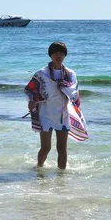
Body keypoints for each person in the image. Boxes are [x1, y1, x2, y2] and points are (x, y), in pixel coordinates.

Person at [24, 42, 88, 170]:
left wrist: (64, 87)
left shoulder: (70, 74)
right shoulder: (42, 74)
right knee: (46, 147)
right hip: (45, 114)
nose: (58, 55)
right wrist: (31, 100)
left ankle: (61, 178)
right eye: (55, 53)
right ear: (50, 55)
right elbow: (30, 89)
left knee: (61, 148)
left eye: (61, 53)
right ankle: (39, 168)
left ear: (65, 55)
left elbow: (74, 93)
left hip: (63, 114)